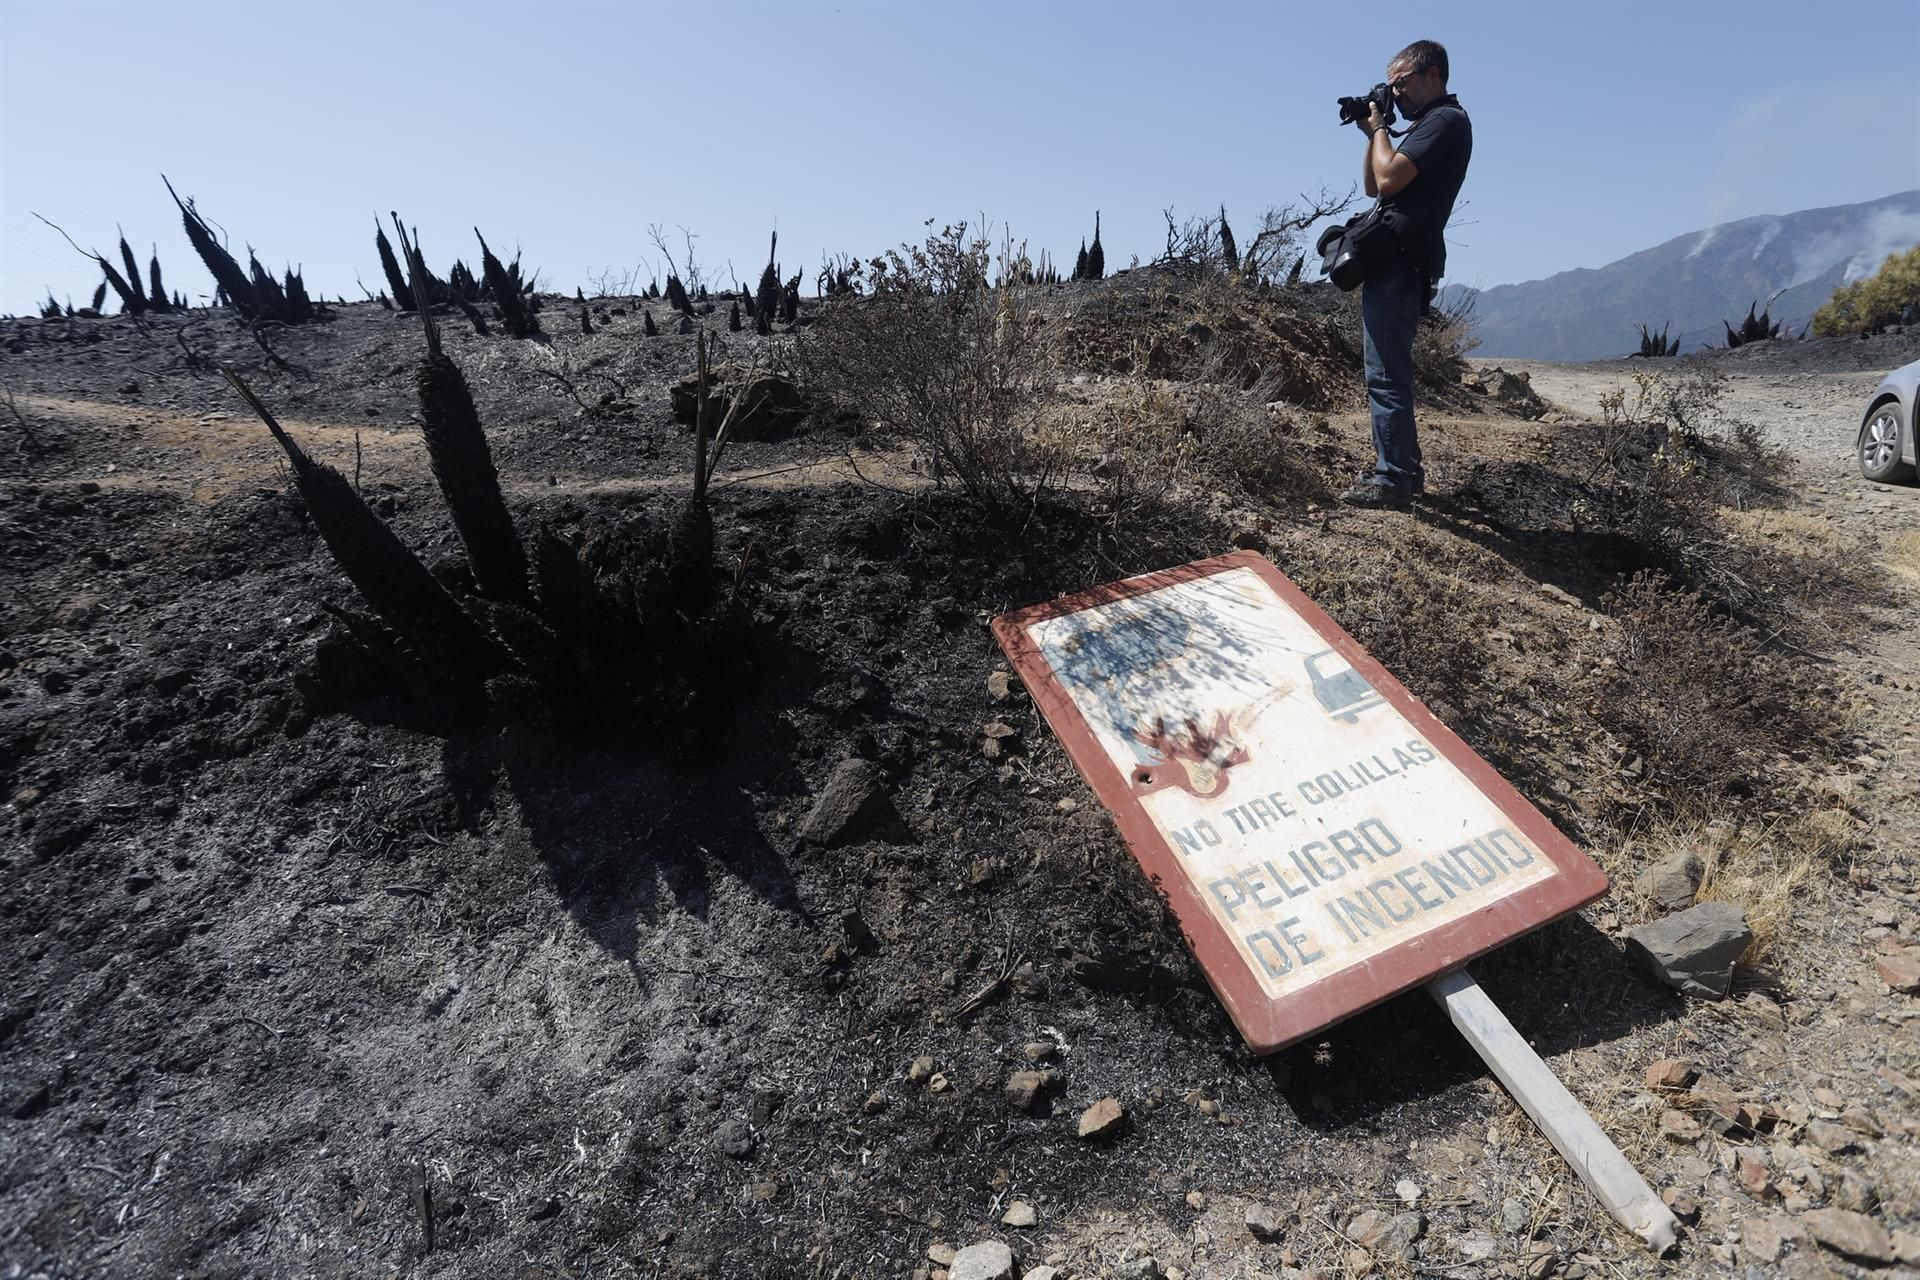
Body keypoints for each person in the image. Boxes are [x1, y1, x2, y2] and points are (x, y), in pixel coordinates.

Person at [1338, 40, 1473, 509]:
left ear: (1433, 74)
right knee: (1388, 371)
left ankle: (1392, 479)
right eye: (1391, 86)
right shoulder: (1426, 125)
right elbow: (1376, 182)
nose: (1396, 95)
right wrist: (1371, 132)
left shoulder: (1444, 121)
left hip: (1401, 262)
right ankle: (1404, 472)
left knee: (1386, 376)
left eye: (1402, 83)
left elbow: (1390, 178)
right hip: (1397, 260)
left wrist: (1380, 128)